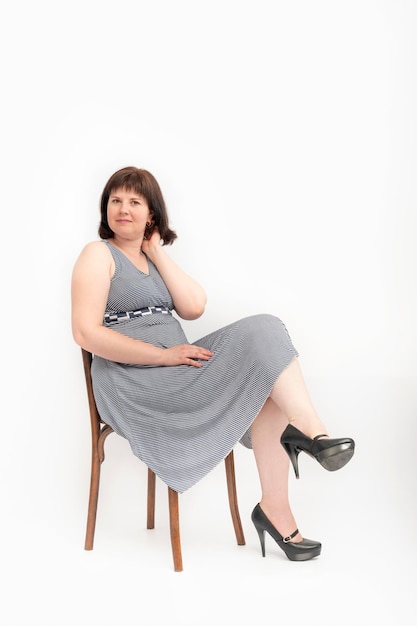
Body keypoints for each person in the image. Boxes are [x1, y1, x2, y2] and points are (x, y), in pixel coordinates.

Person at [71, 166, 355, 562]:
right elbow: (86, 334)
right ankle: (304, 443)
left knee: (265, 342)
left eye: (135, 202)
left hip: (178, 370)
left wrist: (155, 251)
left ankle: (300, 456)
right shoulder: (97, 254)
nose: (123, 209)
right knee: (263, 360)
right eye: (115, 200)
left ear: (151, 214)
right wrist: (163, 355)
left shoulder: (152, 259)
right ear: (105, 208)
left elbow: (193, 306)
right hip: (132, 380)